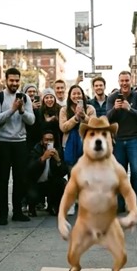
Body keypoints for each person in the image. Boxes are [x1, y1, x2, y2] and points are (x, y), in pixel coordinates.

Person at [0, 67, 35, 226]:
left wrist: (22, 111)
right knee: (2, 180)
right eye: (12, 80)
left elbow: (31, 120)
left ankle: (17, 211)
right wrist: (12, 110)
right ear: (6, 80)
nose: (15, 83)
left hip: (20, 143)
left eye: (17, 80)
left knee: (20, 179)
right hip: (2, 143)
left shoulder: (25, 98)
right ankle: (3, 213)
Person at [106, 70, 137, 214]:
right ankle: (120, 204)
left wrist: (129, 108)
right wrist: (114, 109)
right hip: (119, 140)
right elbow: (107, 118)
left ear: (131, 81)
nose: (124, 83)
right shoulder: (112, 98)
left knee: (136, 172)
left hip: (134, 139)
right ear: (118, 82)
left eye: (127, 80)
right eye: (122, 81)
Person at [59, 84, 96, 215]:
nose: (76, 96)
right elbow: (63, 127)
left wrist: (84, 116)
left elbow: (94, 124)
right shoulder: (64, 110)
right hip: (69, 146)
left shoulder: (90, 108)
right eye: (74, 94)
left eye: (79, 93)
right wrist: (75, 118)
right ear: (69, 96)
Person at [26, 130, 68, 216]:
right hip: (36, 182)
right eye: (46, 140)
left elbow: (64, 172)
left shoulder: (58, 151)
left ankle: (53, 206)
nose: (48, 142)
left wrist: (58, 160)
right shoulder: (35, 151)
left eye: (51, 140)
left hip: (50, 182)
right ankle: (31, 207)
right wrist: (42, 159)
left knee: (61, 183)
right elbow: (29, 170)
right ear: (41, 141)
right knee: (30, 189)